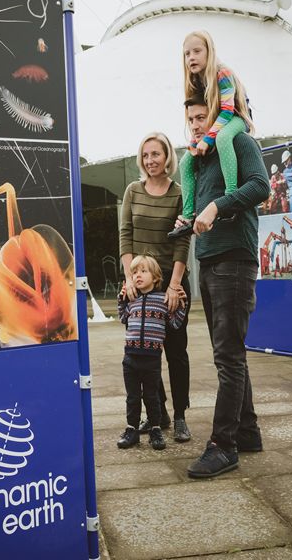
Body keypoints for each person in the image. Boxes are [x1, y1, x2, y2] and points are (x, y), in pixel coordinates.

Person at [173, 94, 270, 479]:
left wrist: (218, 206)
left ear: (216, 115)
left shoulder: (238, 142)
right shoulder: (199, 159)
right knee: (231, 353)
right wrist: (191, 216)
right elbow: (200, 209)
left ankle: (223, 445)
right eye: (191, 119)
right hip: (211, 259)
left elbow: (261, 186)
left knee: (227, 357)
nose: (196, 124)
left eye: (202, 117)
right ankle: (246, 431)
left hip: (234, 257)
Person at [119, 132, 192, 443]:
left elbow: (183, 241)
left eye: (156, 154)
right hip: (140, 282)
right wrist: (129, 278)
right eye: (145, 155)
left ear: (167, 159)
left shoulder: (179, 192)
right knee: (144, 349)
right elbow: (126, 237)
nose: (150, 161)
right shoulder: (133, 191)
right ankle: (157, 412)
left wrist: (174, 286)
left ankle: (179, 417)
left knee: (175, 352)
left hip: (171, 282)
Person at [177, 31, 254, 224]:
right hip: (216, 123)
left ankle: (230, 197)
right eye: (187, 54)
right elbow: (200, 115)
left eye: (197, 51)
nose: (191, 57)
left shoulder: (222, 73)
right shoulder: (196, 80)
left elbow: (227, 110)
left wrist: (208, 138)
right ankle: (188, 215)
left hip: (236, 117)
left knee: (223, 138)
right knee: (185, 162)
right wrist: (196, 141)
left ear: (209, 52)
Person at [116, 255, 188, 451]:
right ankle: (131, 430)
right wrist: (121, 297)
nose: (137, 276)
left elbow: (174, 323)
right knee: (132, 397)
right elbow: (122, 317)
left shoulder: (163, 300)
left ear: (156, 277)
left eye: (143, 271)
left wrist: (182, 302)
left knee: (151, 397)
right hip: (130, 358)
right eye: (134, 272)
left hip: (151, 359)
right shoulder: (133, 299)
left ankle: (156, 428)